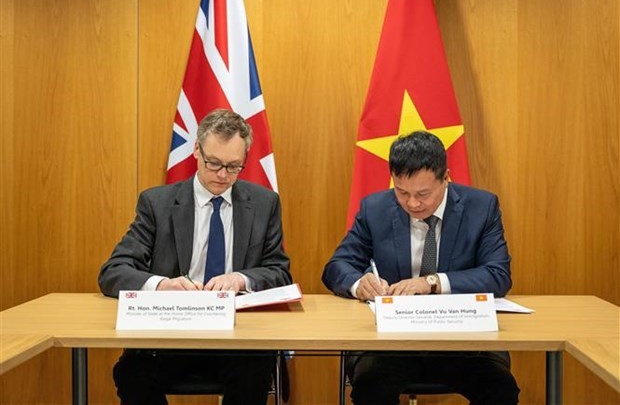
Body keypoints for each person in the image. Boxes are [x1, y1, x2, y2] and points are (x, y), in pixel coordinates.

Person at [99, 109, 291, 405]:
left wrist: (241, 278)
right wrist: (162, 286)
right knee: (131, 373)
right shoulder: (157, 203)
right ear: (196, 150)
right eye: (213, 163)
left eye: (233, 166)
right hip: (169, 336)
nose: (223, 175)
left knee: (255, 369)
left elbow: (280, 273)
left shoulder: (264, 204)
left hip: (237, 337)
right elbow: (113, 271)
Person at [322, 131, 519, 405]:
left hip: (464, 343)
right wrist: (359, 284)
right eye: (402, 192)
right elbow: (337, 266)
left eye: (423, 194)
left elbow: (498, 275)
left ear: (446, 177)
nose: (412, 203)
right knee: (370, 386)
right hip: (391, 344)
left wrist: (432, 282)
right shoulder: (375, 208)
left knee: (500, 389)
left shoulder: (481, 207)